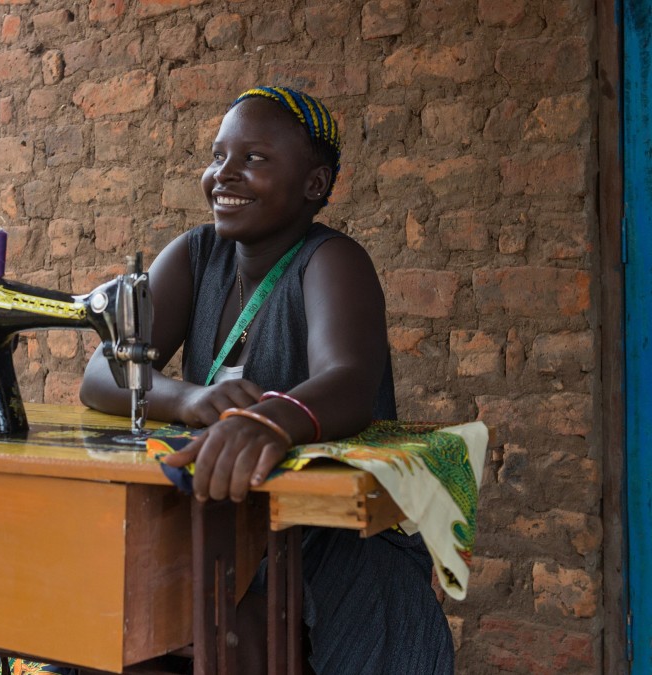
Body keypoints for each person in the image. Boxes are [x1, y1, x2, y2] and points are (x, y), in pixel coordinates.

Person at [80, 86, 454, 673]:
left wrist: (267, 421)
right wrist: (189, 398)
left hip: (331, 540)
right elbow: (103, 369)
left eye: (253, 159)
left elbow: (349, 380)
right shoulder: (196, 256)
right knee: (118, 623)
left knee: (238, 628)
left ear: (315, 185)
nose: (224, 175)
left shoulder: (331, 261)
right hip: (234, 526)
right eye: (217, 155)